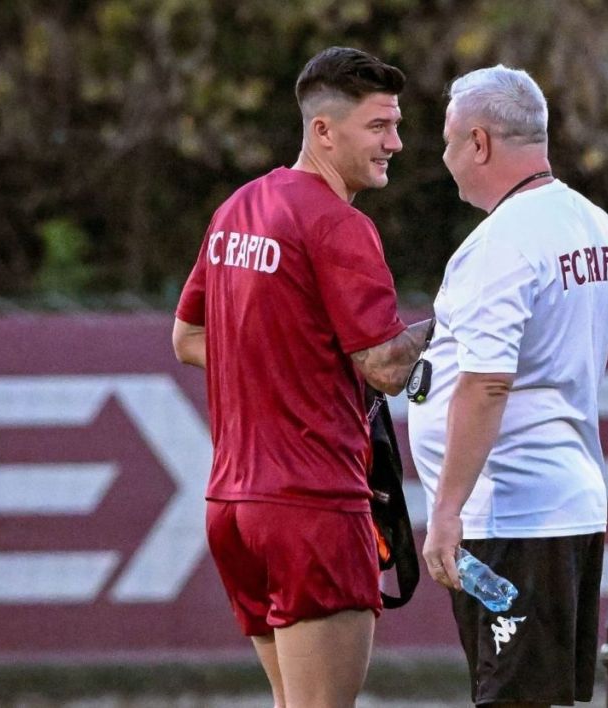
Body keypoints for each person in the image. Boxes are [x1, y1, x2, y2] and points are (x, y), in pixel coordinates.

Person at [172, 47, 430, 708]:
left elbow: (188, 338)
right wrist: (458, 320)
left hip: (234, 510)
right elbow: (384, 366)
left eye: (395, 126)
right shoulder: (338, 224)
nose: (395, 143)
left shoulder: (238, 208)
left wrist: (290, 363)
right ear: (324, 131)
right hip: (313, 508)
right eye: (378, 127)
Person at [408, 65, 608, 707]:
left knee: (513, 699)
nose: (444, 158)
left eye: (448, 141)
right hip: (569, 502)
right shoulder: (595, 224)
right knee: (534, 697)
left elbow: (486, 386)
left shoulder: (500, 244)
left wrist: (445, 512)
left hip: (509, 514)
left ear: (479, 143)